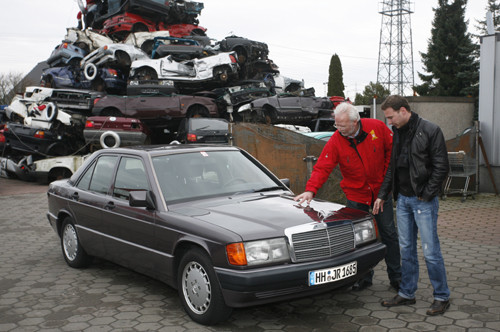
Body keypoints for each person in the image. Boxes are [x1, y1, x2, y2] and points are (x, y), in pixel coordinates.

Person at [294, 102, 401, 291]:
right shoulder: (336, 140)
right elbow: (322, 167)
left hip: (380, 193)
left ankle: (397, 276)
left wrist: (386, 184)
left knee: (388, 234)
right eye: (336, 124)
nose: (338, 128)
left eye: (342, 125)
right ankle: (363, 277)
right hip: (356, 195)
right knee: (358, 240)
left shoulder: (377, 128)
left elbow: (392, 153)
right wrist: (311, 190)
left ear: (355, 122)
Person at [373, 95, 451, 316]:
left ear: (403, 111)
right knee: (406, 249)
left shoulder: (430, 130)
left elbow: (441, 166)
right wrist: (382, 194)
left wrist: (426, 195)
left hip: (422, 201)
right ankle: (407, 293)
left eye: (391, 117)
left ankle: (442, 296)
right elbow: (392, 167)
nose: (389, 122)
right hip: (403, 201)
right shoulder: (397, 132)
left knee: (430, 251)